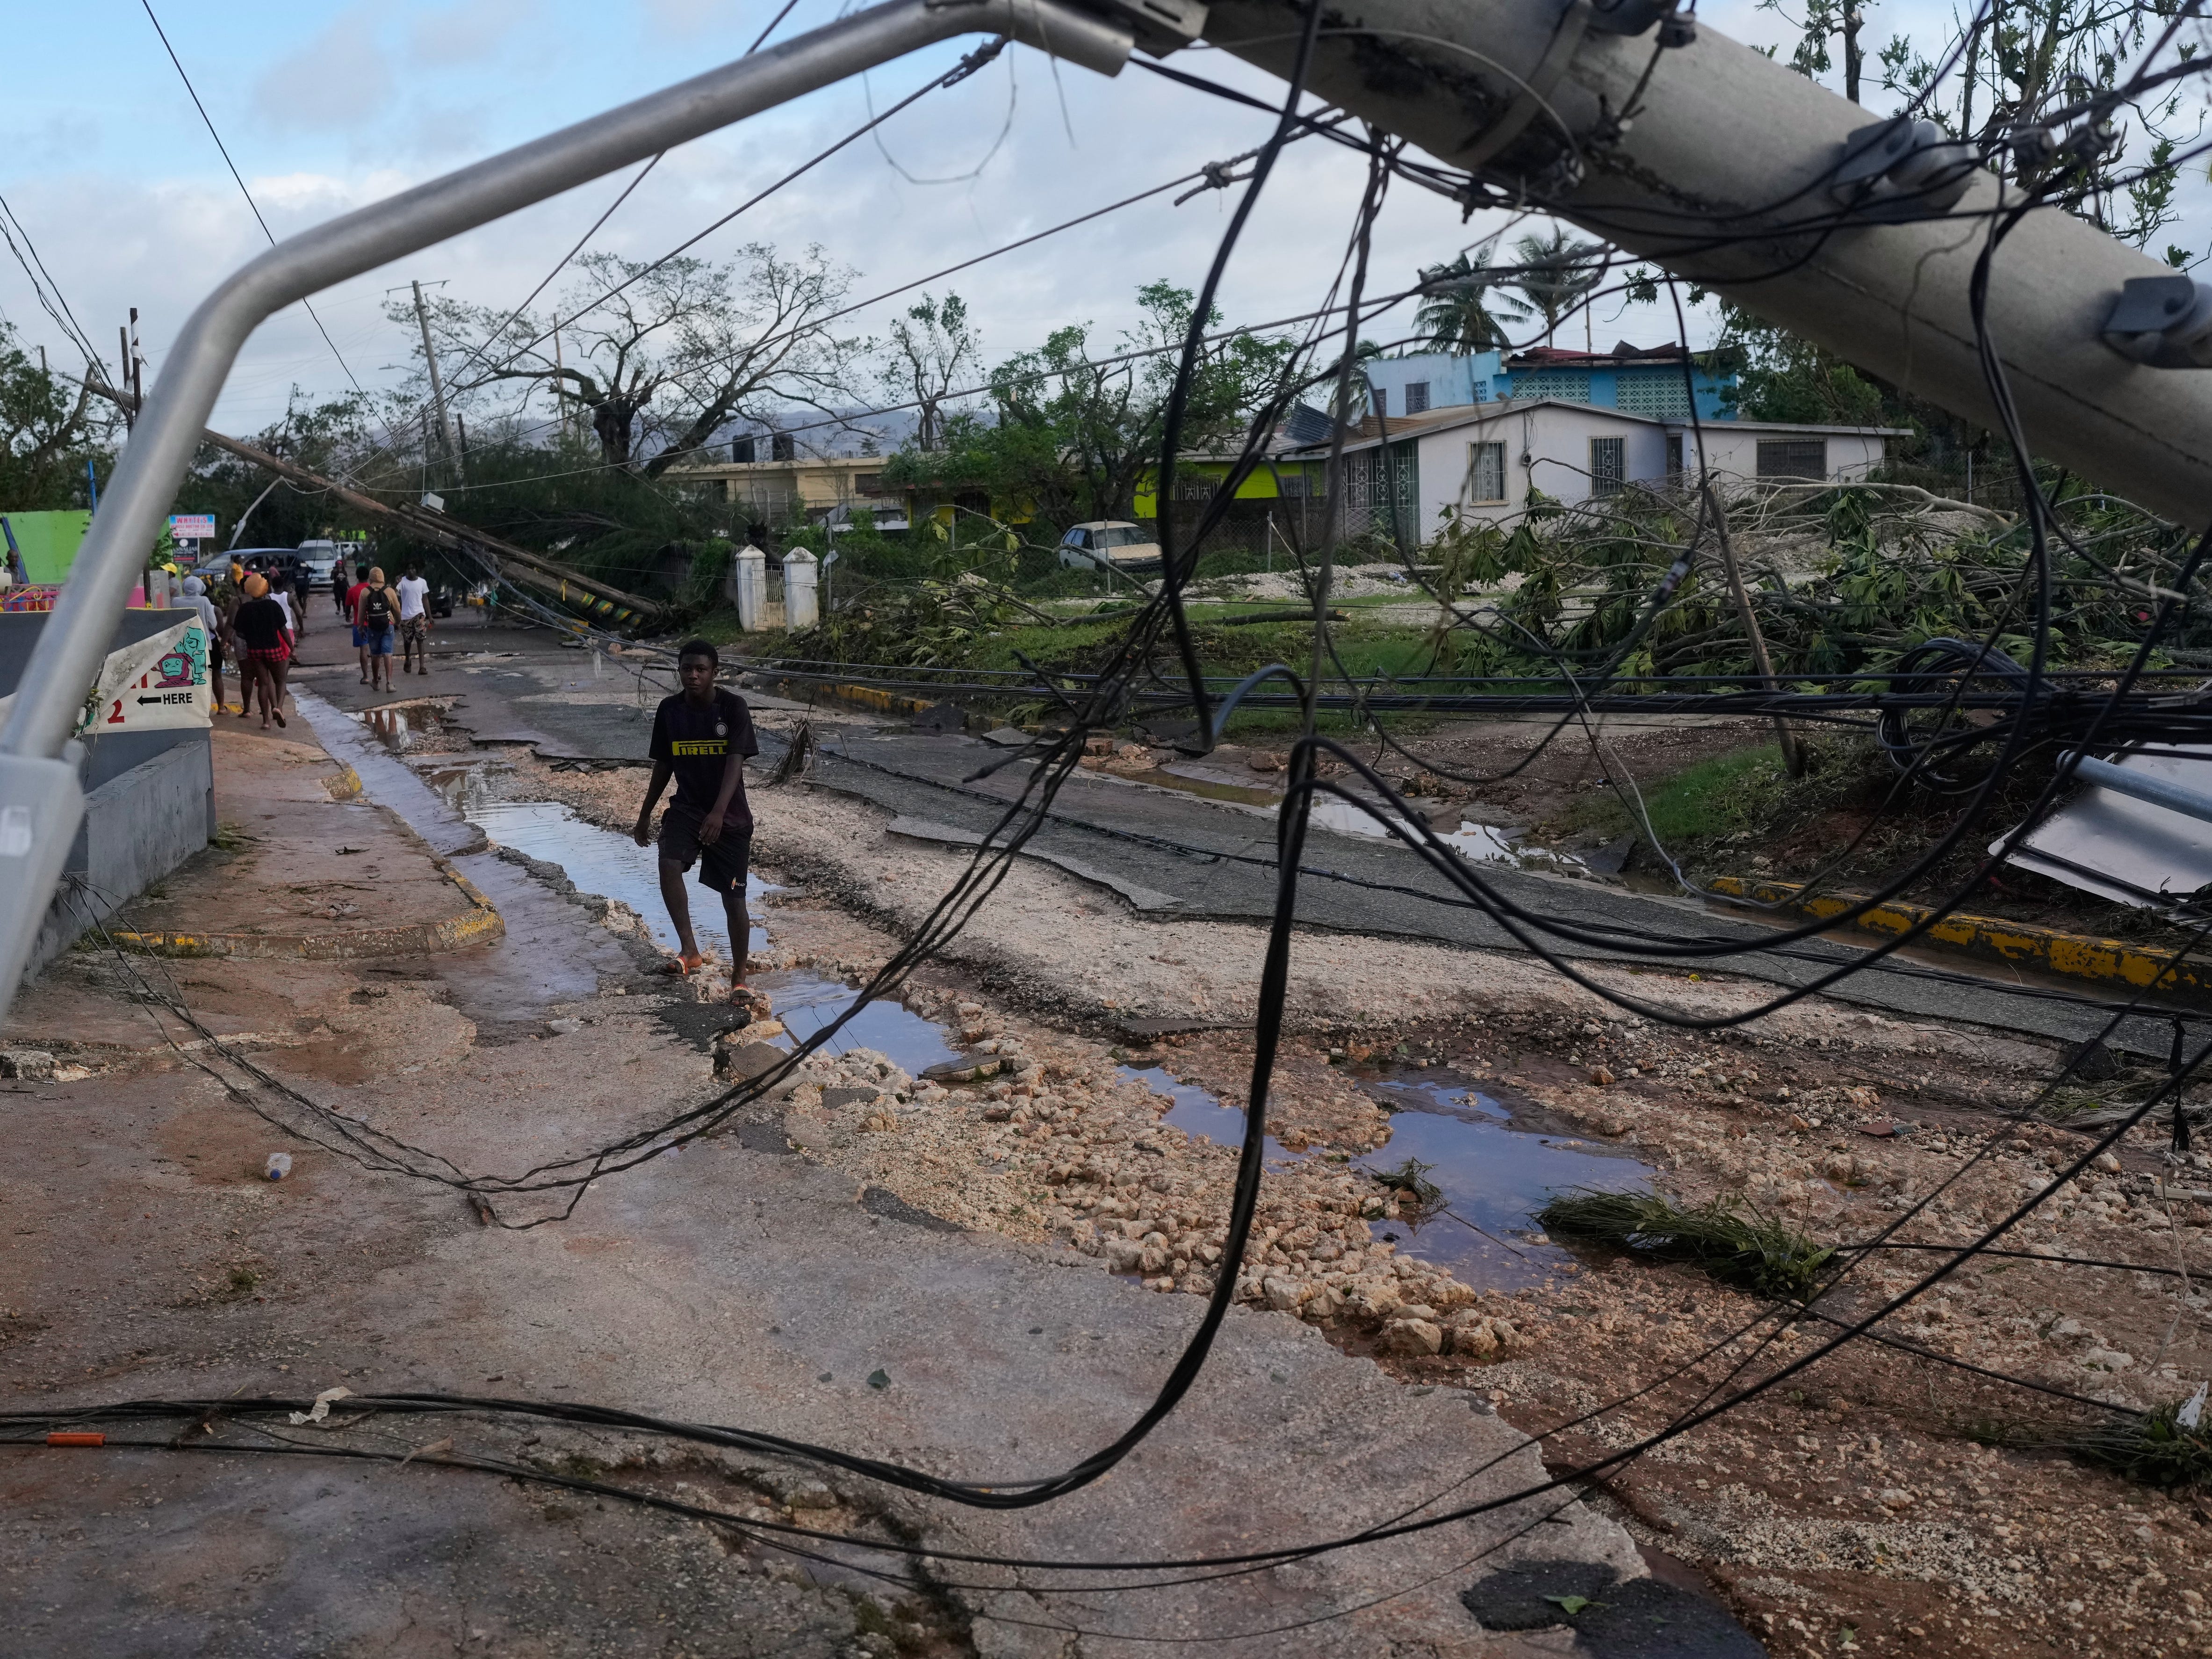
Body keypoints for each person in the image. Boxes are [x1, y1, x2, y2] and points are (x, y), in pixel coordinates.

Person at [632, 640, 761, 1005]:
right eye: (687, 668)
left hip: (730, 815)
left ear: (714, 672)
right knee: (668, 863)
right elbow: (663, 765)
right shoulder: (670, 710)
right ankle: (690, 950)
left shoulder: (732, 707)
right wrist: (644, 815)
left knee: (733, 899)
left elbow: (735, 762)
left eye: (701, 669)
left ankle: (739, 977)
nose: (693, 675)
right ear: (679, 670)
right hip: (686, 809)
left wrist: (719, 813)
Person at [231, 573, 293, 729]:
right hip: (273, 648)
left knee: (263, 684)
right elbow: (284, 630)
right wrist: (292, 648)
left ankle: (265, 721)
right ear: (265, 589)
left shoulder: (245, 608)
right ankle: (278, 707)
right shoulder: (273, 606)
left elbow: (239, 633)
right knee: (280, 681)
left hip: (254, 651)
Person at [180, 575, 226, 713]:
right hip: (208, 643)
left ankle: (197, 708)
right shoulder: (205, 601)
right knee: (217, 675)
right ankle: (221, 707)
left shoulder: (176, 601)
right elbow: (213, 624)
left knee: (193, 676)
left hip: (186, 645)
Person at [353, 566, 399, 692]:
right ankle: (389, 684)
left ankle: (375, 682)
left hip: (373, 627)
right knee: (388, 653)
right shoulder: (390, 591)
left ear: (371, 578)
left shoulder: (365, 592)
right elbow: (397, 610)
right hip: (388, 625)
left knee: (375, 655)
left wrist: (360, 628)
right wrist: (397, 623)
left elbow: (361, 614)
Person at [396, 562, 432, 677]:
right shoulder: (402, 582)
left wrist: (429, 616)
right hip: (406, 616)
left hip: (419, 615)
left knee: (420, 639)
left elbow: (425, 599)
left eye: (413, 568)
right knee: (408, 641)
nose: (411, 571)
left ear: (416, 570)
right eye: (409, 569)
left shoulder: (422, 582)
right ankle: (407, 659)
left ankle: (422, 666)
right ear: (406, 570)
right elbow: (395, 594)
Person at [346, 565, 373, 684]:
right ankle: (378, 673)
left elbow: (347, 608)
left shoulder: (352, 591)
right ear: (368, 577)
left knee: (363, 649)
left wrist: (347, 617)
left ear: (357, 576)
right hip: (374, 623)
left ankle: (366, 676)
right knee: (376, 649)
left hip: (359, 623)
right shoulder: (373, 589)